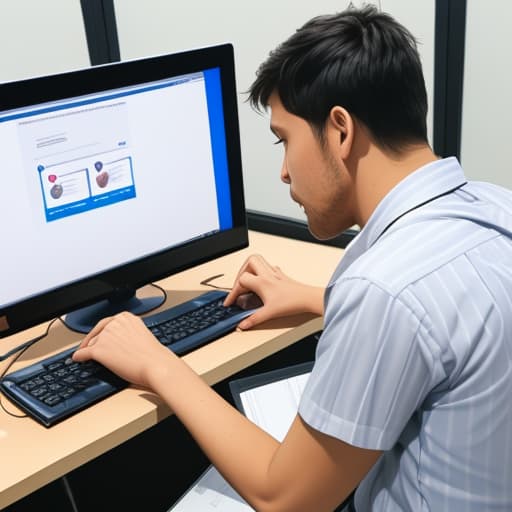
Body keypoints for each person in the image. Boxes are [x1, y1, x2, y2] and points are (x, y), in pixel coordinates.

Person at [72, 5, 512, 511]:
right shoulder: (494, 209)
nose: (283, 173)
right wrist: (319, 298)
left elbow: (285, 500)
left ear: (340, 130)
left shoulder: (384, 291)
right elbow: (444, 317)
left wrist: (157, 363)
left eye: (285, 140)